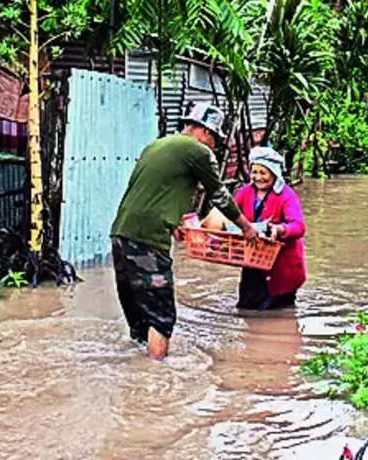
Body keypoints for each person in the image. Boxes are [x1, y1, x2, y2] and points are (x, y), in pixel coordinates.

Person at [110, 103, 260, 359]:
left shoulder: (156, 146)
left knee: (138, 319)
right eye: (214, 139)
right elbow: (220, 195)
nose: (214, 146)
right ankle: (157, 382)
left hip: (121, 235)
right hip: (148, 240)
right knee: (161, 318)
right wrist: (247, 228)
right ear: (205, 131)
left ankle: (133, 377)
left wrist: (176, 221)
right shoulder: (198, 151)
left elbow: (154, 190)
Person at [233, 146, 306, 310]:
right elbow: (230, 214)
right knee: (246, 308)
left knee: (279, 314)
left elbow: (299, 226)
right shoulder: (245, 192)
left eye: (263, 173)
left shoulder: (286, 195)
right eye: (254, 172)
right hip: (252, 260)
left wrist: (280, 230)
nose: (258, 177)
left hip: (281, 268)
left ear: (274, 173)